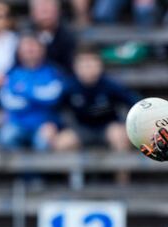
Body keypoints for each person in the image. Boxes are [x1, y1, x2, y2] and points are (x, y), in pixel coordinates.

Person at [53, 47, 140, 181]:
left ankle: (122, 182)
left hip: (107, 127)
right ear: (76, 67)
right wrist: (58, 127)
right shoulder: (69, 86)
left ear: (100, 65)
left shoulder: (110, 85)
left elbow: (135, 103)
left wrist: (126, 125)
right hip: (81, 129)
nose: (88, 68)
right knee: (62, 142)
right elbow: (55, 109)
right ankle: (73, 184)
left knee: (120, 136)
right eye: (83, 64)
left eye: (91, 63)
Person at [0, 33, 64, 151]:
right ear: (19, 51)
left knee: (43, 141)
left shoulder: (52, 72)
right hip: (18, 123)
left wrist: (25, 91)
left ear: (42, 50)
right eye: (26, 47)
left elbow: (53, 97)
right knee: (5, 137)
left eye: (33, 46)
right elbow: (9, 102)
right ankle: (20, 170)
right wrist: (37, 95)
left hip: (44, 123)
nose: (30, 50)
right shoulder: (12, 74)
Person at [30, 0, 76, 73]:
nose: (45, 16)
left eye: (49, 10)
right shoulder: (25, 37)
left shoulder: (68, 39)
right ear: (33, 13)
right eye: (42, 11)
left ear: (58, 12)